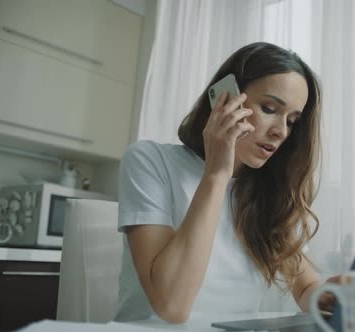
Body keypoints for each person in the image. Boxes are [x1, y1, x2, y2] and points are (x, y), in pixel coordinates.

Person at [115, 42, 336, 323]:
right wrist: (217, 175)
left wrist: (326, 295)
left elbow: (305, 286)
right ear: (224, 98)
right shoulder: (150, 161)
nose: (281, 131)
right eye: (269, 108)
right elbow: (172, 307)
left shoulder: (266, 194)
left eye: (292, 121)